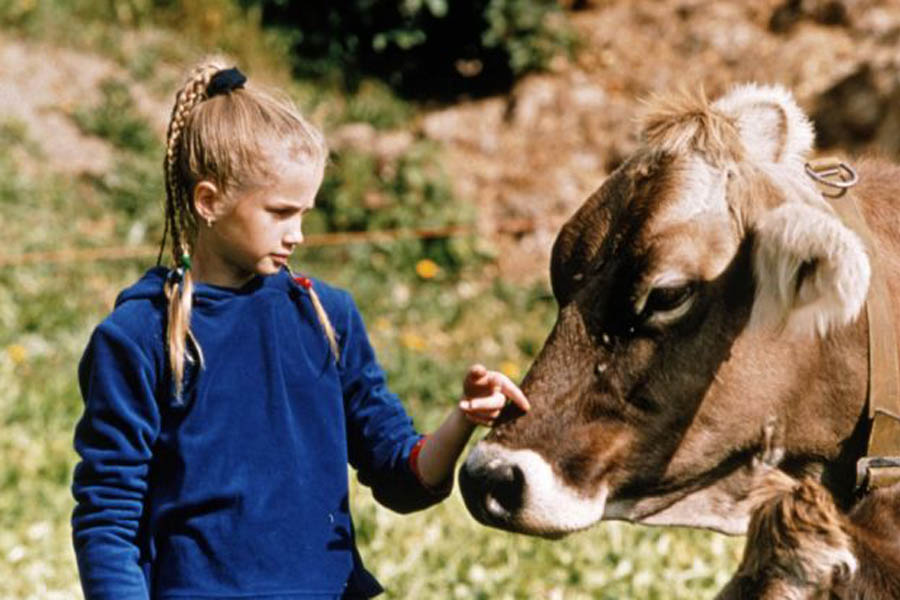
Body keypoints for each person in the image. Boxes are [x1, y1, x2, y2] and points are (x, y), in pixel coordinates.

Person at [71, 59, 529, 599]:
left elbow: (399, 476)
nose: (299, 234)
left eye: (305, 212)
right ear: (209, 201)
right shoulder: (138, 337)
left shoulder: (327, 316)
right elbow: (107, 520)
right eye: (281, 212)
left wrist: (463, 419)